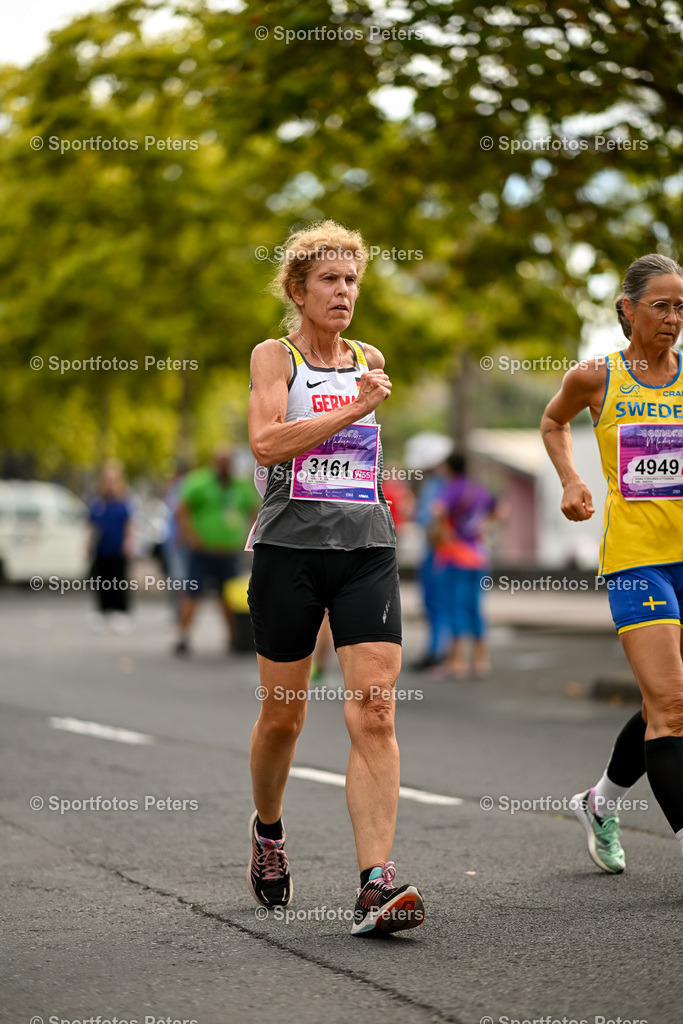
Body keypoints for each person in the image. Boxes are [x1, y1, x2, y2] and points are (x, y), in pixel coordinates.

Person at [246, 220, 424, 935]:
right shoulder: (275, 356)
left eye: (352, 279)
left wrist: (362, 410)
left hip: (364, 547)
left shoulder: (368, 357)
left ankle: (375, 883)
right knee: (283, 716)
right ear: (297, 289)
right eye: (329, 279)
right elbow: (265, 443)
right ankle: (267, 830)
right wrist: (355, 405)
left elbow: (357, 454)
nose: (344, 291)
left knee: (375, 709)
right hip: (289, 549)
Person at [541, 253, 683, 873]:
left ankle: (600, 802)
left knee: (667, 703)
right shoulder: (596, 377)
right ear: (627, 310)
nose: (673, 318)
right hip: (636, 562)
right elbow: (552, 422)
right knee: (672, 707)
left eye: (681, 307)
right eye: (661, 305)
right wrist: (572, 480)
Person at [174, 445, 259, 656]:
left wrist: (248, 537)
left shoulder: (239, 486)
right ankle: (183, 637)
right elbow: (182, 510)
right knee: (193, 593)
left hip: (227, 552)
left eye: (229, 463)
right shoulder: (200, 482)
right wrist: (190, 537)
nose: (225, 467)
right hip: (202, 552)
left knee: (228, 597)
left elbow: (254, 510)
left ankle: (233, 638)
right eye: (222, 462)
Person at [432, 452, 498, 678]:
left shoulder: (452, 488)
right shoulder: (478, 488)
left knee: (455, 607)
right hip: (478, 556)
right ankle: (481, 661)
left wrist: (445, 533)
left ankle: (456, 662)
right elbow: (499, 508)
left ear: (449, 468)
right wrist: (485, 527)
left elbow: (438, 510)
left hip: (456, 555)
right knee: (475, 607)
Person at [87, 460, 133, 633]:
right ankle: (102, 610)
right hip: (101, 548)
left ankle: (120, 612)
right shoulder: (97, 503)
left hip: (117, 548)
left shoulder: (123, 503)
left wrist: (128, 542)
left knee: (119, 580)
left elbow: (129, 524)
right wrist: (88, 545)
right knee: (101, 580)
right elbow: (91, 526)